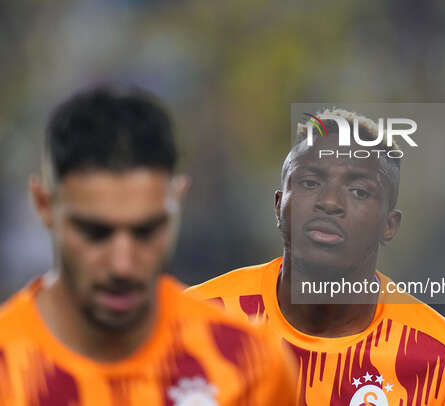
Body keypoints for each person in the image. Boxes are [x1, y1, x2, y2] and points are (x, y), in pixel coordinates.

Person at [186, 109, 445, 405]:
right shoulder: (187, 328)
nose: (329, 202)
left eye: (359, 191)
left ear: (389, 225)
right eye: (310, 182)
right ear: (279, 205)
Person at [0, 86, 296, 406]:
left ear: (177, 202)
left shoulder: (248, 365)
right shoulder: (8, 368)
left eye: (146, 231)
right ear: (44, 205)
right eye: (95, 233)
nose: (122, 265)